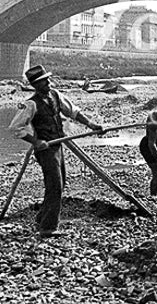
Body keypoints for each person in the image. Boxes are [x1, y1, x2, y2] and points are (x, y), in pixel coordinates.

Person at [9, 64, 103, 237]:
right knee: (55, 186)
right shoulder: (30, 104)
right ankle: (48, 228)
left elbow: (73, 112)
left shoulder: (55, 95)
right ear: (36, 86)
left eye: (48, 80)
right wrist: (36, 142)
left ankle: (41, 218)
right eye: (44, 82)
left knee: (60, 183)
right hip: (46, 150)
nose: (49, 83)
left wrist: (91, 124)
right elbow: (16, 128)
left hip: (58, 145)